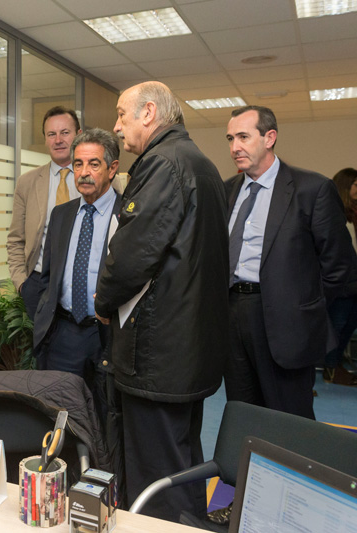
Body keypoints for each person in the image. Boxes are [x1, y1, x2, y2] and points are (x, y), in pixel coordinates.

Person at [94, 81, 229, 522]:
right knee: (181, 464)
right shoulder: (200, 163)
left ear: (149, 113)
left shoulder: (162, 164)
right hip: (185, 349)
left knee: (157, 478)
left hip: (157, 353)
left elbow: (132, 257)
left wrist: (102, 299)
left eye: (121, 115)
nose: (117, 126)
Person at [224, 106, 356, 416]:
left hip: (287, 324)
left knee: (288, 418)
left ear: (269, 137)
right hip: (232, 315)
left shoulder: (312, 189)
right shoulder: (227, 190)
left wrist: (303, 308)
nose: (234, 147)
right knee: (242, 413)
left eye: (243, 137)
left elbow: (339, 266)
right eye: (230, 138)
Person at [33, 128, 122, 423]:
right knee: (60, 419)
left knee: (106, 418)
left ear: (112, 168)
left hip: (108, 335)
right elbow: (48, 275)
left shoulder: (130, 215)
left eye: (94, 164)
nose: (84, 172)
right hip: (64, 334)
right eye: (78, 164)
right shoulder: (61, 214)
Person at [7, 106, 81, 320]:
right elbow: (15, 239)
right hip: (39, 284)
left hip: (82, 283)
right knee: (43, 350)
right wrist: (22, 283)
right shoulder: (27, 182)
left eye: (65, 132)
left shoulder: (97, 179)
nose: (58, 140)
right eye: (51, 134)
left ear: (79, 135)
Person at [326, 168, 357, 386]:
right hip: (342, 284)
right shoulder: (333, 214)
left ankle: (337, 366)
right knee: (336, 327)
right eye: (356, 184)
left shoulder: (354, 215)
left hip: (353, 282)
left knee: (349, 325)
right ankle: (331, 369)